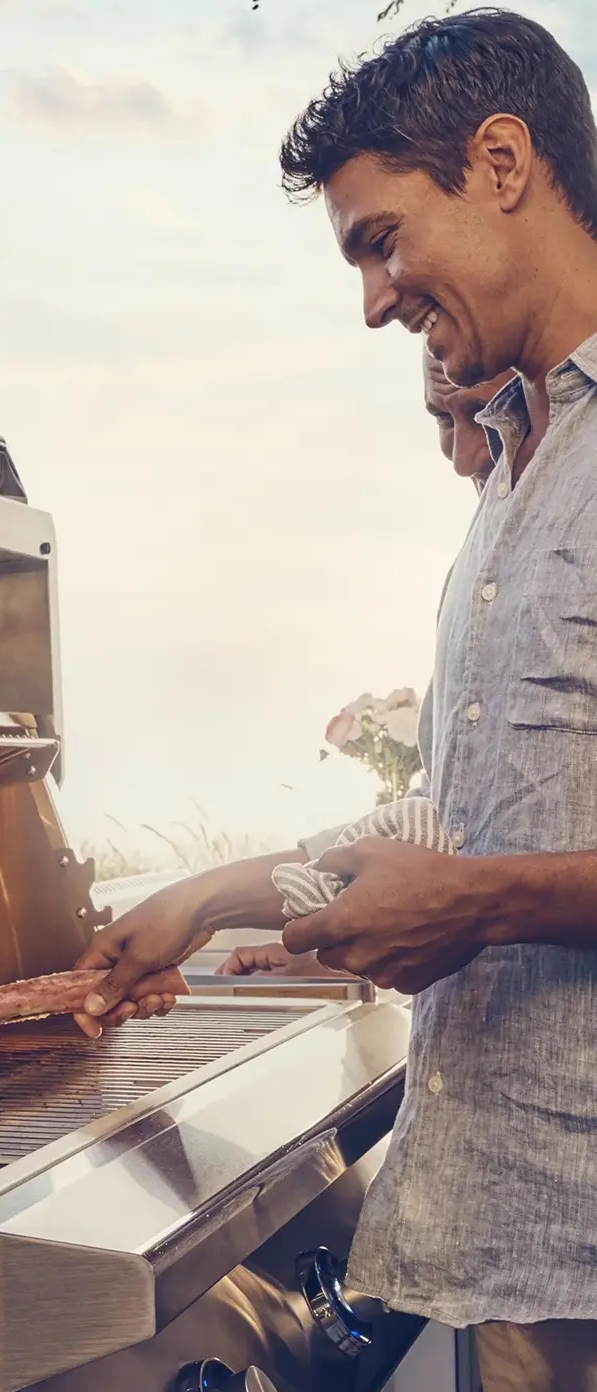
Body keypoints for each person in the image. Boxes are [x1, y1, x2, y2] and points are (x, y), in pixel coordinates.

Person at [75, 14, 597, 1392]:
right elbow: (464, 820)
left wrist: (487, 904)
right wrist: (214, 893)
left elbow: (482, 875)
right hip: (528, 1247)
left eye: (383, 238)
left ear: (501, 164)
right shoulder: (520, 467)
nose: (374, 295)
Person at [221, 346, 513, 979]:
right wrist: (326, 950)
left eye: (490, 417)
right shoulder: (478, 572)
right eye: (442, 420)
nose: (464, 455)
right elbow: (447, 819)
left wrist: (201, 905)